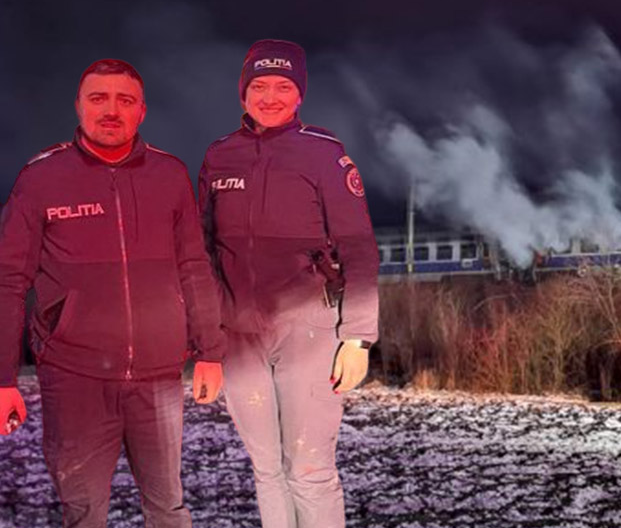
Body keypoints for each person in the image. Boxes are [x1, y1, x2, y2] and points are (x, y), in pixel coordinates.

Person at [0, 59, 226, 527]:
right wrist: (2, 380)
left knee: (168, 507)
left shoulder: (168, 175)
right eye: (98, 98)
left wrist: (211, 350)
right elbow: (8, 281)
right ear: (79, 106)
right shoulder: (41, 178)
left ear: (141, 111)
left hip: (159, 378)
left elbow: (194, 266)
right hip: (74, 378)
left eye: (125, 100)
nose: (111, 110)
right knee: (83, 512)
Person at [200, 39, 378, 528]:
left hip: (310, 334)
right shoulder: (219, 157)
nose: (270, 96)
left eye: (283, 86)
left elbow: (360, 248)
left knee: (310, 470)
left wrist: (358, 338)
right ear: (243, 94)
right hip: (239, 339)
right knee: (267, 470)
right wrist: (206, 339)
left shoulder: (324, 154)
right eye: (259, 86)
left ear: (299, 94)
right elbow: (201, 251)